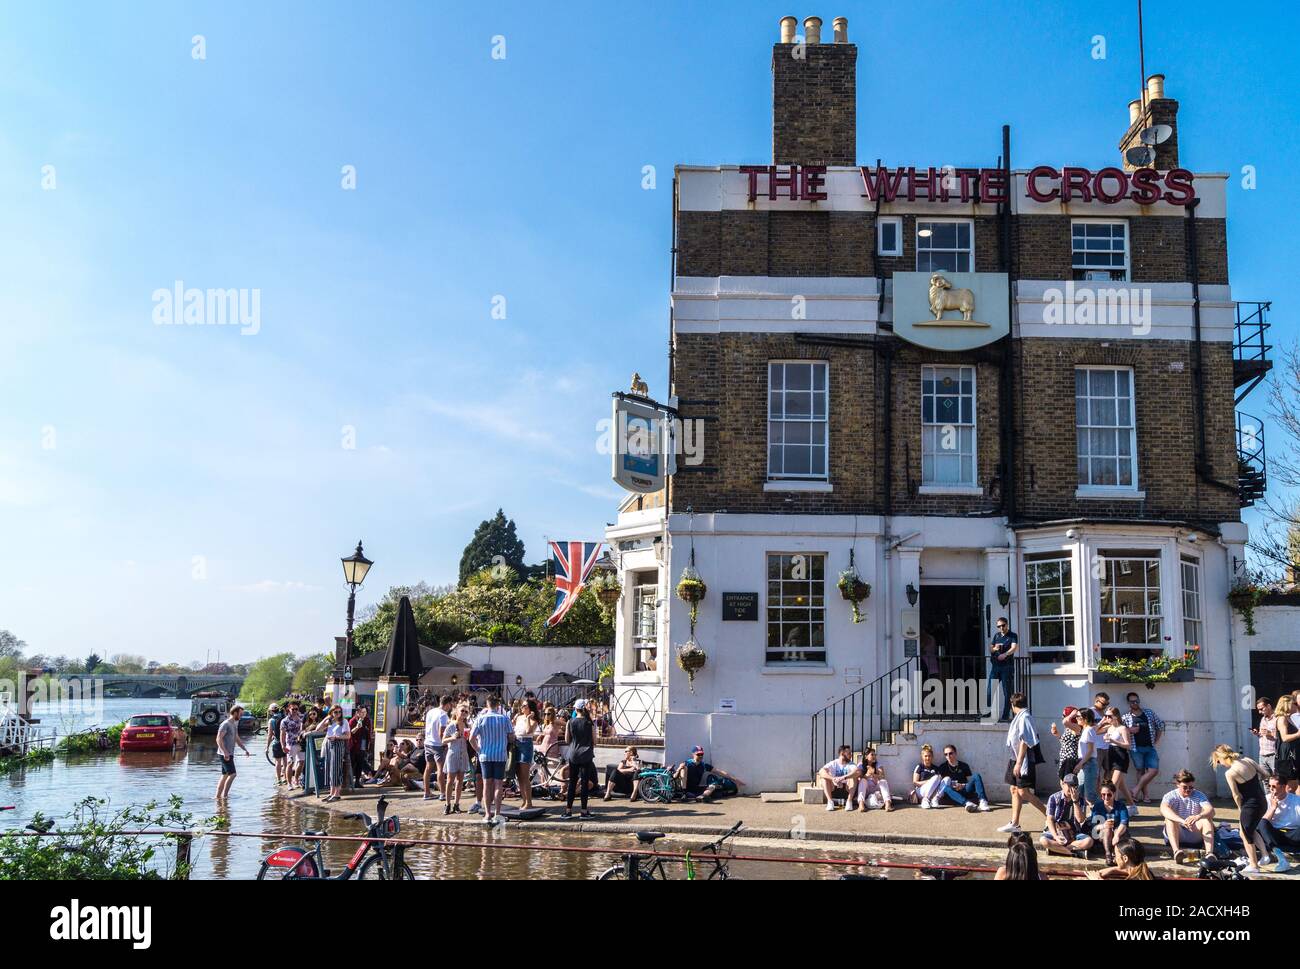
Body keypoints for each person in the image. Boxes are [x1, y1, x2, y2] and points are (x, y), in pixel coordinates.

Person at [1210, 744, 1291, 874]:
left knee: (1246, 834)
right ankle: (1265, 855)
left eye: (1218, 761)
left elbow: (1236, 795)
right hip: (1262, 801)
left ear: (1222, 757)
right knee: (1249, 830)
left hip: (1250, 805)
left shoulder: (1230, 773)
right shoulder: (1248, 760)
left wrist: (1240, 809)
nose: (1220, 764)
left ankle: (1254, 865)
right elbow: (1265, 774)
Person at [998, 693, 1045, 834]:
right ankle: (1015, 823)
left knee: (1023, 792)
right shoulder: (1021, 717)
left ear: (1012, 705)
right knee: (1014, 789)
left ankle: (1051, 816)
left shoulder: (1025, 717)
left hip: (1022, 760)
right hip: (1016, 758)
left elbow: (1025, 740)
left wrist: (1019, 763)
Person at [469, 694, 512, 826]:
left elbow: (471, 739)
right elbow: (511, 737)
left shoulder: (480, 718)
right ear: (498, 705)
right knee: (498, 785)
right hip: (500, 755)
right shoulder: (504, 718)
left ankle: (487, 814)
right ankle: (497, 814)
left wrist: (479, 750)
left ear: (487, 704)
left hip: (485, 755)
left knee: (487, 785)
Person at [1160, 769, 1216, 864]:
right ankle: (1177, 851)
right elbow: (1163, 809)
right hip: (1177, 831)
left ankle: (1209, 853)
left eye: (1191, 787)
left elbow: (1211, 810)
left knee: (1207, 820)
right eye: (1185, 787)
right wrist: (1182, 821)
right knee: (1169, 820)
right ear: (1177, 784)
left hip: (1194, 831)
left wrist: (1198, 816)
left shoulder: (1199, 795)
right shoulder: (1170, 796)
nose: (1188, 790)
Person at [1121, 692, 1164, 803]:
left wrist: (1157, 740)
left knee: (1153, 770)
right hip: (1135, 748)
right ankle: (1145, 796)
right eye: (1132, 701)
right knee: (1140, 770)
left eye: (1137, 701)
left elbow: (1160, 725)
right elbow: (1120, 731)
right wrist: (1129, 730)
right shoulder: (1126, 717)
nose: (1135, 703)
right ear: (1128, 703)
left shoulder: (1148, 713)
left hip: (1150, 747)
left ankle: (1135, 790)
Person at [561, 698, 598, 820]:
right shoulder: (589, 722)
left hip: (573, 755)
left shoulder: (570, 722)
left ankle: (568, 811)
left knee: (572, 782)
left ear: (576, 709)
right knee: (584, 782)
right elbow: (595, 741)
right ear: (584, 708)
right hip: (586, 755)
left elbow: (567, 740)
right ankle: (583, 811)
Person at [1040, 773, 1092, 858]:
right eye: (1069, 785)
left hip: (1073, 832)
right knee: (1044, 841)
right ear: (1063, 784)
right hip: (1057, 831)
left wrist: (1075, 801)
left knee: (1089, 841)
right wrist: (1055, 836)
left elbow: (1080, 820)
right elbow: (1049, 819)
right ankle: (1074, 853)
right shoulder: (1053, 798)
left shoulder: (1080, 800)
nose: (1071, 788)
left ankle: (1058, 850)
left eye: (1074, 786)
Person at [310, 704, 351, 802]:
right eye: (335, 712)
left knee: (336, 769)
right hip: (329, 743)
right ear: (331, 713)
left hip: (337, 744)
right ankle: (331, 793)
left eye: (339, 712)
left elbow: (348, 736)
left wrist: (336, 737)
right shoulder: (330, 721)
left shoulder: (344, 722)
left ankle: (337, 794)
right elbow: (317, 729)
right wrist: (326, 718)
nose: (338, 714)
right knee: (329, 768)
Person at [935, 744, 991, 812]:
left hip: (964, 789)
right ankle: (967, 803)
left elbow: (970, 782)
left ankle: (983, 801)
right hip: (952, 792)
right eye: (946, 754)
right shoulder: (942, 767)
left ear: (955, 753)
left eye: (950, 753)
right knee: (946, 788)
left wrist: (962, 785)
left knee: (976, 776)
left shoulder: (964, 765)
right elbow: (940, 784)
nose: (948, 756)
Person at [1101, 706, 1138, 810]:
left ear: (1116, 716)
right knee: (1120, 784)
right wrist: (1102, 721)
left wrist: (1113, 741)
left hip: (1121, 756)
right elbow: (1095, 731)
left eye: (1109, 716)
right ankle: (1132, 805)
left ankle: (1112, 809)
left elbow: (1128, 745)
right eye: (1105, 715)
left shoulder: (1123, 728)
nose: (1107, 718)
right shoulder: (1108, 727)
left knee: (1113, 785)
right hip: (1110, 755)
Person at [675, 746, 742, 802]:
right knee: (683, 768)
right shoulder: (687, 763)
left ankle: (703, 797)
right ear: (693, 754)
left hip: (695, 789)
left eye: (702, 754)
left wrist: (735, 780)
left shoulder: (703, 765)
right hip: (685, 789)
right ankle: (683, 793)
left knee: (712, 781)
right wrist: (679, 769)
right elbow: (674, 776)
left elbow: (719, 772)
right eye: (698, 754)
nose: (700, 756)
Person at [1088, 783, 1130, 865]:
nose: (1106, 797)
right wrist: (1104, 825)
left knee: (1118, 829)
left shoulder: (1120, 805)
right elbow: (1094, 827)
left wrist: (1117, 835)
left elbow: (1124, 823)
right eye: (1103, 795)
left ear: (1114, 794)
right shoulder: (1097, 806)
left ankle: (1116, 855)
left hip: (1119, 833)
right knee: (1107, 828)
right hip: (1102, 834)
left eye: (1109, 795)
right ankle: (1108, 855)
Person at [215, 705, 250, 800]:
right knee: (233, 774)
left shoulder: (234, 723)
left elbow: (236, 738)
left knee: (225, 775)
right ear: (235, 713)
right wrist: (225, 752)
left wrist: (244, 749)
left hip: (228, 753)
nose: (241, 716)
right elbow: (218, 739)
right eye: (240, 714)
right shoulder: (225, 724)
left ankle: (218, 797)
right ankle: (225, 797)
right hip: (224, 754)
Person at [442, 704, 471, 815]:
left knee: (460, 781)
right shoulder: (451, 725)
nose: (464, 713)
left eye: (466, 712)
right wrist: (453, 738)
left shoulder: (467, 725)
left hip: (463, 754)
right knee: (450, 780)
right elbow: (443, 740)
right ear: (457, 712)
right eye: (462, 711)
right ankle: (447, 804)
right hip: (453, 754)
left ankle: (456, 804)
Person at [988, 617, 1018, 722]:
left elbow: (1014, 647)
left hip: (1007, 667)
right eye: (999, 626)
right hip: (995, 667)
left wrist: (1005, 654)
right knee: (990, 690)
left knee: (1007, 692)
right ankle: (988, 712)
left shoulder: (1012, 635)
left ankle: (1005, 715)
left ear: (1007, 624)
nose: (1001, 628)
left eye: (1003, 625)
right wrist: (994, 649)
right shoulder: (996, 636)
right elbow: (990, 648)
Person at [423, 695, 452, 801]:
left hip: (428, 742)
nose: (451, 707)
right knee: (440, 769)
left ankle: (427, 793)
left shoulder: (431, 711)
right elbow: (442, 732)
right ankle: (443, 793)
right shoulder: (443, 715)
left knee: (428, 768)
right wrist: (444, 744)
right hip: (438, 744)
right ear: (447, 704)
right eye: (450, 705)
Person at [1263, 773, 1300, 852]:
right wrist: (1273, 808)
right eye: (1269, 786)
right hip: (1275, 833)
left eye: (1274, 786)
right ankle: (1274, 848)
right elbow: (1263, 823)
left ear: (1283, 787)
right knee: (1261, 823)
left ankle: (1276, 848)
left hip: (1293, 833)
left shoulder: (1296, 800)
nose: (1271, 789)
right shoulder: (1266, 799)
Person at [1087, 838, 1156, 880]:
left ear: (1125, 858)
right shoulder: (1146, 872)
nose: (1114, 859)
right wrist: (1114, 869)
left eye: (1115, 855)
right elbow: (1128, 870)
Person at [818, 745, 860, 811]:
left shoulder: (851, 764)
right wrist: (833, 779)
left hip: (847, 790)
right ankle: (830, 802)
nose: (851, 755)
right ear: (842, 753)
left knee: (854, 776)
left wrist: (844, 777)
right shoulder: (834, 763)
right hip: (834, 789)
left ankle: (849, 802)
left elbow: (858, 772)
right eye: (849, 753)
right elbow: (821, 771)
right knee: (824, 778)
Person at [513, 700, 538, 809]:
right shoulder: (518, 717)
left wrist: (528, 718)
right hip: (517, 743)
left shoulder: (533, 720)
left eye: (524, 706)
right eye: (522, 705)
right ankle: (524, 800)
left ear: (530, 708)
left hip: (526, 743)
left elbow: (528, 731)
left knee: (525, 775)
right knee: (519, 776)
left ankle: (529, 802)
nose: (522, 707)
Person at [1074, 709, 1100, 808]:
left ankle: (1105, 814)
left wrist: (1079, 764)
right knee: (1080, 792)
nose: (1076, 719)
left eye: (1079, 717)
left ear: (1085, 719)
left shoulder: (1089, 730)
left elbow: (1090, 751)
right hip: (1085, 763)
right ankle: (1082, 817)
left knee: (1090, 795)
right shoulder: (1086, 730)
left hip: (1088, 763)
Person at [911, 744, 950, 808]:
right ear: (922, 756)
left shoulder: (936, 768)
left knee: (947, 779)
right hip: (921, 790)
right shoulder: (920, 766)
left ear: (932, 756)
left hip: (934, 791)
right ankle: (925, 800)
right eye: (925, 756)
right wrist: (930, 781)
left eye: (929, 756)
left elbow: (939, 783)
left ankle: (935, 799)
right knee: (936, 777)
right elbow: (915, 782)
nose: (927, 758)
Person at [856, 746, 893, 812]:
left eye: (874, 755)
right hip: (866, 790)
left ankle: (888, 804)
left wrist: (874, 775)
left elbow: (882, 776)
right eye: (872, 754)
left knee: (883, 781)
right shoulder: (860, 765)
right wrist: (866, 775)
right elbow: (858, 777)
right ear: (866, 756)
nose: (874, 756)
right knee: (863, 781)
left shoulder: (878, 764)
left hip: (876, 789)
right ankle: (861, 805)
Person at [1273, 695, 1300, 787]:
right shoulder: (1282, 718)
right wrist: (1298, 734)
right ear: (1287, 705)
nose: (1296, 706)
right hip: (1288, 755)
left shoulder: (1290, 718)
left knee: (1296, 783)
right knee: (1290, 784)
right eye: (1294, 704)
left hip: (1294, 753)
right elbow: (1284, 738)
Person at [1050, 706, 1082, 780]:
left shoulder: (1077, 727)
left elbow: (1065, 722)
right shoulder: (1068, 728)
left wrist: (1071, 715)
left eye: (1064, 715)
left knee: (1067, 782)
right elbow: (1065, 743)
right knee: (1063, 781)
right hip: (1064, 757)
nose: (1062, 717)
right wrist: (1057, 734)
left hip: (1070, 758)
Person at [280, 702, 305, 789]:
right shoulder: (285, 721)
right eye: (292, 709)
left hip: (301, 743)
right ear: (288, 709)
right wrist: (283, 746)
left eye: (296, 709)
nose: (294, 711)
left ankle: (296, 780)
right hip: (291, 744)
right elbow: (282, 734)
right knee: (290, 763)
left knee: (302, 762)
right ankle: (289, 783)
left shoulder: (302, 718)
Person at [348, 704, 373, 787]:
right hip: (353, 745)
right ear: (357, 713)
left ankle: (357, 781)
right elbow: (350, 732)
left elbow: (369, 732)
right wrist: (357, 727)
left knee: (360, 762)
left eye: (365, 712)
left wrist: (369, 743)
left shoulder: (367, 720)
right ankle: (349, 781)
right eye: (362, 712)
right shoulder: (352, 721)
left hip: (363, 743)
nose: (363, 714)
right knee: (352, 763)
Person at [1253, 697, 1278, 777]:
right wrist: (1258, 734)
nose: (1260, 712)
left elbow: (1283, 736)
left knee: (1278, 779)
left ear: (1269, 706)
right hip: (1262, 754)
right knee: (1265, 780)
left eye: (1261, 709)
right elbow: (1263, 735)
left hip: (1274, 754)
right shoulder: (1263, 719)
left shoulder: (1278, 718)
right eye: (1258, 710)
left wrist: (1270, 734)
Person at [266, 703, 286, 785]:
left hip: (277, 742)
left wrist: (267, 747)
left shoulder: (271, 720)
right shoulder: (284, 717)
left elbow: (270, 735)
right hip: (285, 742)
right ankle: (285, 777)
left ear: (271, 711)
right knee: (285, 760)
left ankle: (278, 779)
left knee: (278, 762)